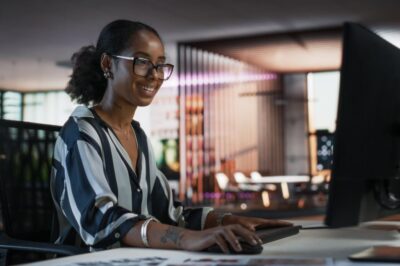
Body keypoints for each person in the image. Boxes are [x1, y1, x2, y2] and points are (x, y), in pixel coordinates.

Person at [50, 19, 291, 253]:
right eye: (142, 62)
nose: (154, 75)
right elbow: (100, 221)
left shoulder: (137, 135)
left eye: (160, 64)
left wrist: (230, 220)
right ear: (107, 64)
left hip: (141, 258)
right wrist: (186, 239)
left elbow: (170, 215)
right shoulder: (82, 132)